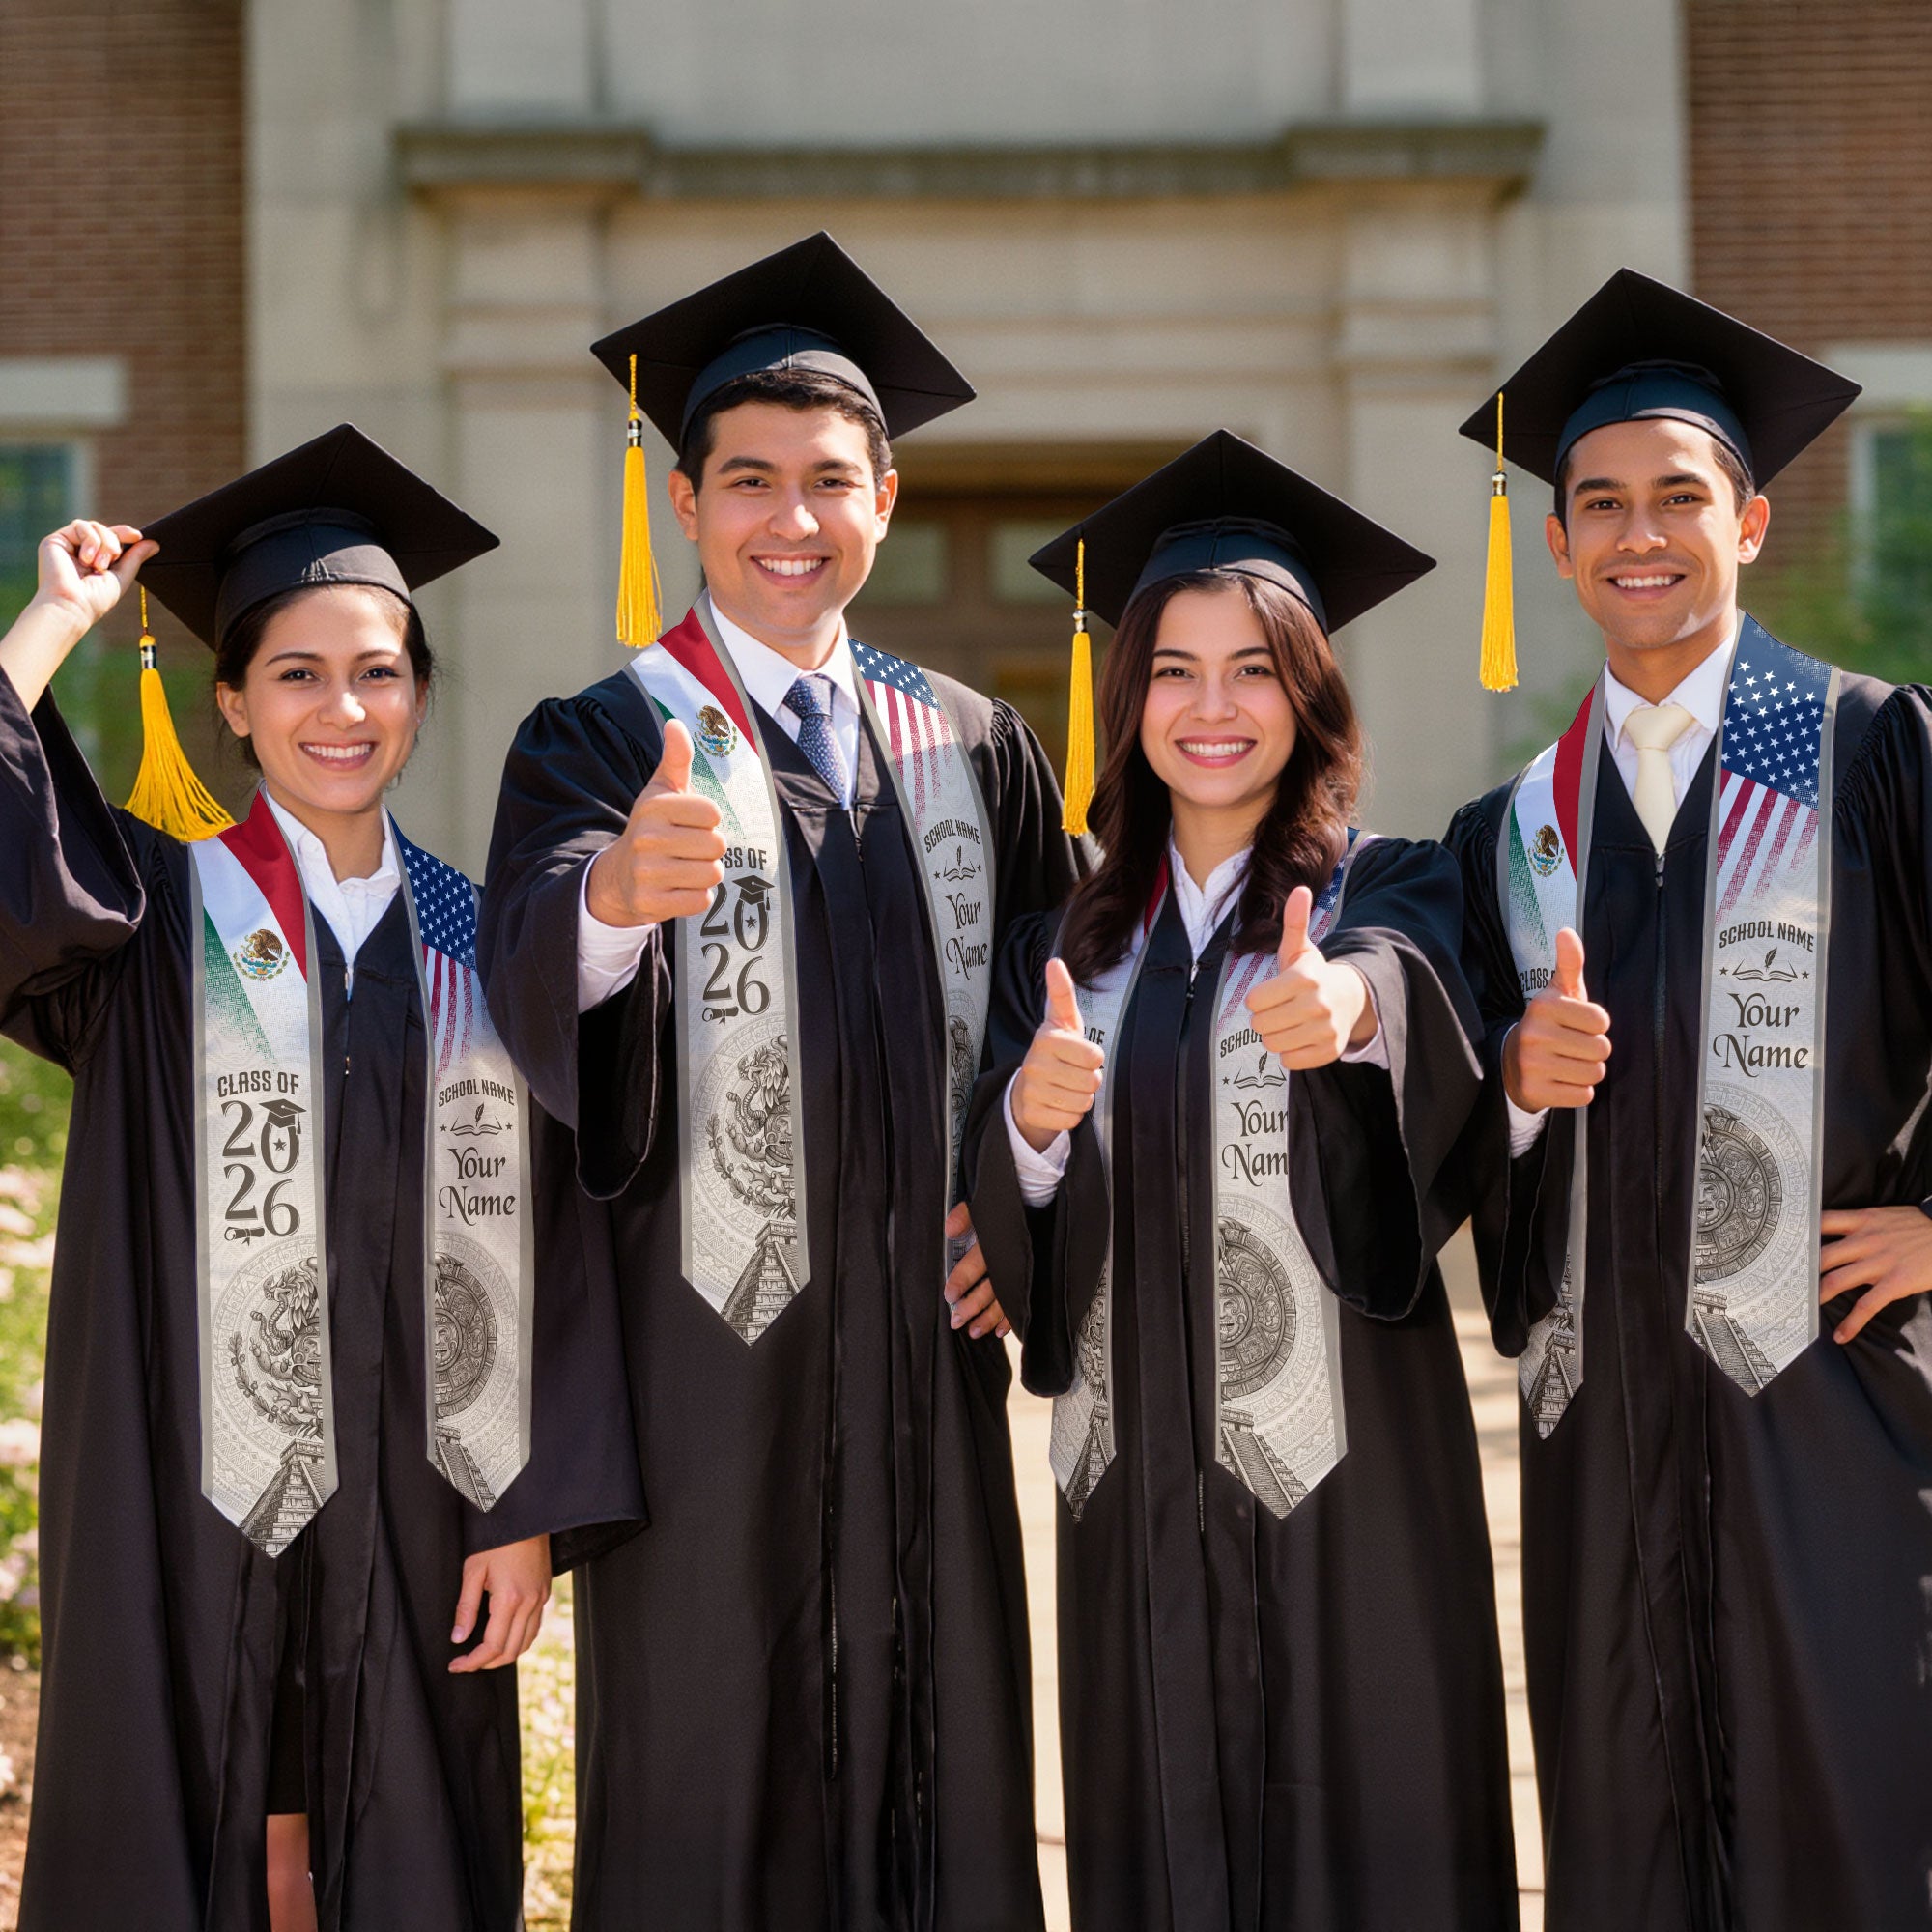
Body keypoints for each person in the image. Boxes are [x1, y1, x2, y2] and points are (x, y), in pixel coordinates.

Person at [480, 233, 1083, 1931]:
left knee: (943, 1757)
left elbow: (1072, 1007)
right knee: (709, 1775)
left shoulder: (972, 742)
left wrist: (1023, 1207)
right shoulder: (601, 737)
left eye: (831, 481)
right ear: (687, 502)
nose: (791, 519)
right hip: (707, 1369)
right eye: (750, 481)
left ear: (886, 497)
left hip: (925, 1358)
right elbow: (531, 967)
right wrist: (611, 899)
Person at [0, 425, 641, 1932]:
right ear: (230, 701)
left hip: (428, 1501)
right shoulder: (153, 918)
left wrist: (526, 1507)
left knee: (407, 1834)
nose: (340, 708)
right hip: (183, 1488)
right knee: (196, 1809)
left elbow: (566, 1235)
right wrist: (51, 625)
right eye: (295, 673)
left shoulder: (487, 942)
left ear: (419, 694)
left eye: (378, 671)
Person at [964, 432, 1518, 1931]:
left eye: (1256, 668)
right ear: (1127, 695)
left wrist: (1347, 1015)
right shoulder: (1064, 948)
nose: (1214, 709)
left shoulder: (1389, 885)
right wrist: (1025, 1119)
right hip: (1134, 1483)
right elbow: (1012, 1203)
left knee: (1375, 1837)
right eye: (1175, 670)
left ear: (1311, 693)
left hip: (1352, 1487)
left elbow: (1411, 992)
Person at [1446, 270, 1932, 1931]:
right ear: (1562, 543)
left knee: (1851, 1811)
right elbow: (1449, 1138)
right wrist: (1510, 1086)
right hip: (1604, 1437)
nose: (1636, 534)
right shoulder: (1514, 831)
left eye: (1678, 497)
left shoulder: (1868, 752)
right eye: (1599, 505)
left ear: (1752, 520)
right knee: (1624, 1826)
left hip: (1834, 1406)